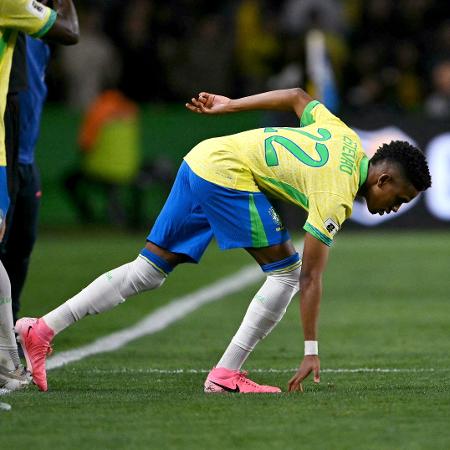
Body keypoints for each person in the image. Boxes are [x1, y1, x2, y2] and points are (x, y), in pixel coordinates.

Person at [16, 87, 431, 393]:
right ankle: (226, 374)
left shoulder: (345, 137)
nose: (396, 207)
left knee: (149, 272)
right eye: (400, 198)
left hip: (202, 158)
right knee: (286, 273)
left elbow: (298, 97)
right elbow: (310, 278)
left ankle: (42, 328)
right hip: (227, 176)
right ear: (383, 178)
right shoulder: (337, 194)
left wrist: (231, 105)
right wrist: (310, 348)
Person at [0, 0, 79, 391]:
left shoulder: (34, 25)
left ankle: (8, 338)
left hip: (23, 153)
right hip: (7, 150)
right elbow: (71, 30)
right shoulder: (15, 14)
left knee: (18, 248)